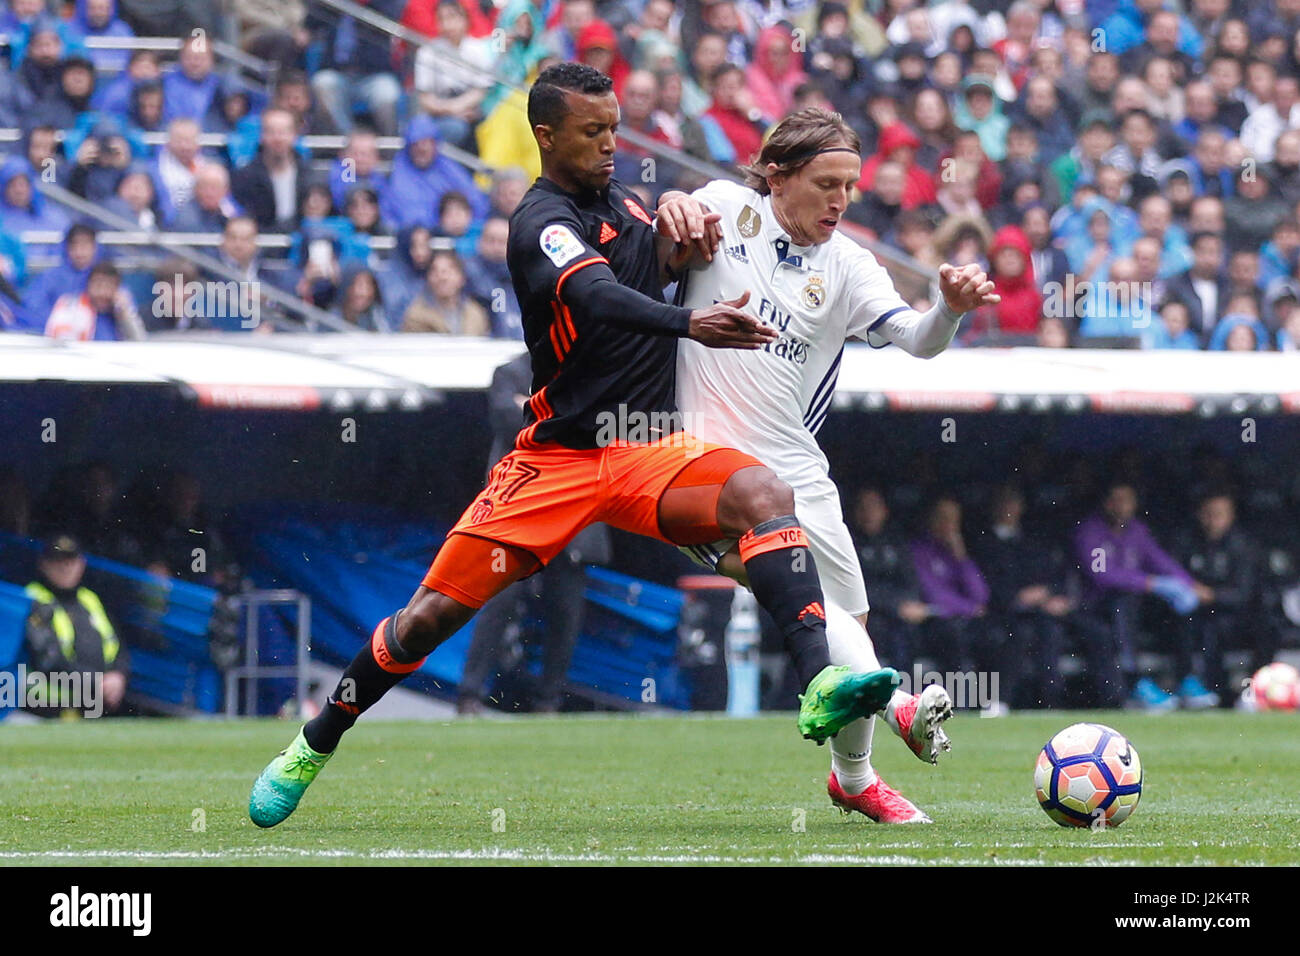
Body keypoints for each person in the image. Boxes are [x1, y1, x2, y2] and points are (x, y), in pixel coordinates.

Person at [249, 63, 900, 829]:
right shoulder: (539, 223)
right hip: (555, 463)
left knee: (764, 496)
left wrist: (685, 221)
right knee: (426, 619)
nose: (608, 145)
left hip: (649, 448)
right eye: (591, 132)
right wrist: (691, 322)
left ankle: (818, 682)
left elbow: (671, 256)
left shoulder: (627, 201)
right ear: (546, 135)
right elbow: (594, 296)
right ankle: (314, 741)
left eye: (614, 128)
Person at [657, 107, 1003, 822]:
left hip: (799, 472)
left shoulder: (848, 264)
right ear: (777, 176)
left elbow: (916, 340)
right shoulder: (725, 210)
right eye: (826, 184)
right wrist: (670, 204)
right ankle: (901, 702)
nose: (841, 201)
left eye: (850, 185)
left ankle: (852, 780)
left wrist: (950, 309)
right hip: (705, 465)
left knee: (850, 620)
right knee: (813, 603)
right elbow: (662, 236)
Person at [457, 353, 610, 714]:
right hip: (518, 511)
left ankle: (548, 701)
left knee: (565, 610)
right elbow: (510, 422)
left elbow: (599, 428)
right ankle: (470, 695)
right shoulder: (509, 372)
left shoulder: (586, 372)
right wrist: (565, 416)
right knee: (499, 600)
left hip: (569, 510)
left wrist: (537, 410)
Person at [1073, 480, 1202, 711]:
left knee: (1179, 608)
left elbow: (1160, 561)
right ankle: (1134, 681)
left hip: (1135, 605)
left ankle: (1186, 679)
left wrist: (1189, 584)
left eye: (1127, 500)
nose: (1121, 506)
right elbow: (1103, 575)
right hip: (1096, 607)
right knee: (1122, 602)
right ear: (1106, 503)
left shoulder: (1136, 530)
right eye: (1116, 500)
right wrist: (1149, 582)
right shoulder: (1090, 532)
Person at [1170, 490, 1259, 708]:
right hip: (1197, 614)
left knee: (1265, 626)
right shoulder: (1186, 541)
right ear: (1200, 514)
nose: (1212, 520)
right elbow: (1173, 573)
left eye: (1219, 514)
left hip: (1236, 614)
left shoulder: (1243, 546)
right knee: (1187, 624)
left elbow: (1244, 593)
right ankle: (1197, 689)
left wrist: (1211, 595)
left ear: (1231, 516)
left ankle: (1254, 691)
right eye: (1208, 514)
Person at [23, 535, 128, 717]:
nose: (65, 567)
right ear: (44, 564)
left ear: (82, 564)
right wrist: (98, 682)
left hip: (94, 708)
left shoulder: (89, 599)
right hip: (46, 711)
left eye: (71, 561)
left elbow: (117, 645)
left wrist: (119, 675)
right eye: (58, 561)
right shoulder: (34, 599)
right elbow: (48, 660)